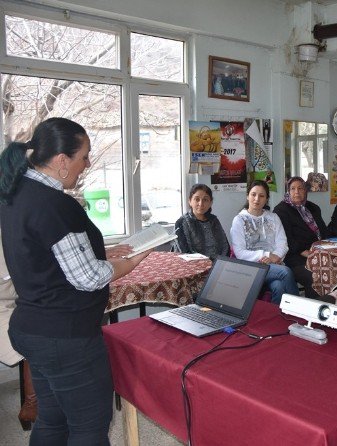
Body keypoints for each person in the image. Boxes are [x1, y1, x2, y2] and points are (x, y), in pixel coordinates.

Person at [0, 118, 149, 445]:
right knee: (89, 427)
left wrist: (99, 250)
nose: (88, 164)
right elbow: (88, 278)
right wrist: (129, 263)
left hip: (32, 328)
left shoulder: (16, 192)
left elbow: (43, 253)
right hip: (66, 339)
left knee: (53, 421)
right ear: (62, 160)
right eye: (84, 155)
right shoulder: (55, 205)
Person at [230, 180, 300, 304]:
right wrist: (266, 255)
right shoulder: (239, 220)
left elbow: (283, 244)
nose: (257, 199)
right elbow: (240, 253)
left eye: (261, 196)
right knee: (286, 272)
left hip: (274, 264)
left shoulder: (273, 217)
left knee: (278, 287)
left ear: (266, 199)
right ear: (247, 196)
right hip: (250, 267)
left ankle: (278, 320)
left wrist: (275, 258)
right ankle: (300, 309)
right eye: (253, 194)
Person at [273, 177, 329, 300]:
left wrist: (328, 247)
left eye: (300, 188)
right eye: (293, 189)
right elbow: (287, 240)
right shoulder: (281, 210)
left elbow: (323, 232)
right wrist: (308, 253)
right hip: (295, 257)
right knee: (315, 276)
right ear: (288, 191)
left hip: (318, 252)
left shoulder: (313, 207)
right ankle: (313, 311)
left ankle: (331, 306)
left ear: (305, 191)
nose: (296, 192)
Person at [174, 184, 230, 261]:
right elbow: (185, 253)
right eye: (197, 199)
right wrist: (207, 263)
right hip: (193, 266)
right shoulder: (181, 223)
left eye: (205, 200)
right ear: (190, 201)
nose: (201, 204)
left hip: (217, 265)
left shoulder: (214, 220)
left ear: (210, 203)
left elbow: (225, 246)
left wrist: (221, 263)